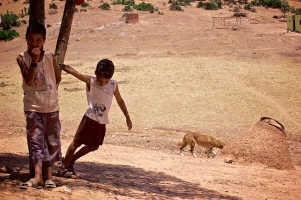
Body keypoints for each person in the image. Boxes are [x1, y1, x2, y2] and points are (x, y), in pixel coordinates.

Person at [57, 59, 132, 178]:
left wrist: (127, 116)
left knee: (94, 146)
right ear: (96, 73)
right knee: (77, 142)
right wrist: (61, 66)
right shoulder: (91, 81)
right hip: (90, 118)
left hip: (101, 121)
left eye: (105, 81)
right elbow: (76, 73)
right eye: (100, 80)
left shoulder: (113, 85)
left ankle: (70, 160)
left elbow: (120, 100)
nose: (102, 83)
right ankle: (64, 168)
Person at [16, 22, 62, 189]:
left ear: (44, 40)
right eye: (31, 40)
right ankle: (37, 176)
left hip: (51, 106)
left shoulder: (50, 56)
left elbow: (58, 78)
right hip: (33, 107)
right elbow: (28, 80)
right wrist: (34, 62)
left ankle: (49, 176)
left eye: (38, 40)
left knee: (52, 141)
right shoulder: (22, 58)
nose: (34, 43)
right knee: (35, 141)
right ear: (26, 40)